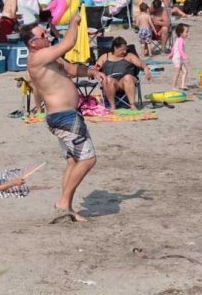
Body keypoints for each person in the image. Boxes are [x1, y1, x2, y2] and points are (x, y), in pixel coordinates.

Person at [21, 15, 107, 222]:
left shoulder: (50, 55)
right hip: (64, 117)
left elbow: (70, 69)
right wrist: (74, 21)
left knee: (73, 161)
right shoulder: (38, 57)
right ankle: (63, 202)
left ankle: (66, 206)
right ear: (33, 43)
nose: (47, 35)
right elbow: (69, 42)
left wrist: (92, 72)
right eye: (43, 34)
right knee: (88, 160)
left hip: (64, 117)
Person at [94, 36, 152, 111]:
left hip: (125, 81)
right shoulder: (105, 57)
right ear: (115, 48)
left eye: (126, 49)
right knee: (107, 79)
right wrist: (95, 72)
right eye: (122, 50)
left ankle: (132, 105)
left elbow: (141, 64)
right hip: (112, 83)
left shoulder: (129, 56)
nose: (125, 52)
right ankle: (112, 106)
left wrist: (146, 69)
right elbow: (96, 68)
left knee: (127, 77)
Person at [169, 23, 190, 90]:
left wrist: (171, 54)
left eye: (187, 32)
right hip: (177, 58)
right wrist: (184, 56)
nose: (187, 34)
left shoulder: (179, 39)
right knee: (177, 72)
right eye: (186, 32)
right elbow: (180, 49)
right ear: (181, 33)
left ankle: (182, 85)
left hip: (178, 58)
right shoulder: (180, 40)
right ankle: (173, 86)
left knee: (185, 71)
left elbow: (174, 48)